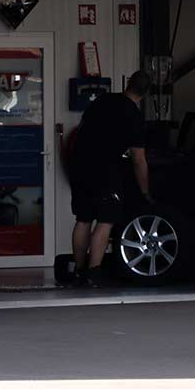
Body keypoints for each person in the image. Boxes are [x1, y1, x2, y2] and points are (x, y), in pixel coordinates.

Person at [66, 71, 151, 287]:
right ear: (145, 94)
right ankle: (94, 272)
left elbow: (83, 129)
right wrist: (145, 191)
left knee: (83, 218)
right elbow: (139, 160)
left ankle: (79, 270)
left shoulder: (102, 100)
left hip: (79, 165)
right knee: (106, 220)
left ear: (128, 84)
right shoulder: (134, 116)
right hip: (104, 169)